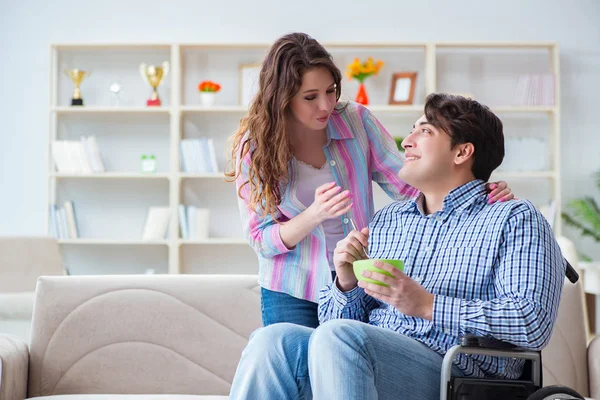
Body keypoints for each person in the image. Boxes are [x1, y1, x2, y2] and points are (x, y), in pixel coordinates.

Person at [228, 93, 566, 400]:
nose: (408, 141)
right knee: (272, 342)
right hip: (372, 357)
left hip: (458, 373)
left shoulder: (514, 218)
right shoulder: (389, 221)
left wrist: (428, 305)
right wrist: (346, 282)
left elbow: (532, 321)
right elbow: (334, 325)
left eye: (426, 132)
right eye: (412, 130)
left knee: (342, 339)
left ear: (462, 152)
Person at [226, 32, 513, 329]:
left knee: (350, 364)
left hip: (357, 280)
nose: (325, 105)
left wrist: (478, 192)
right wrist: (314, 214)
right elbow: (260, 239)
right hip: (293, 288)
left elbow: (410, 187)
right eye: (310, 97)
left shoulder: (356, 120)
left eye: (331, 91)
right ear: (281, 99)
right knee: (295, 368)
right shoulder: (254, 148)